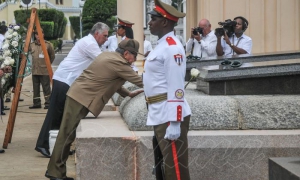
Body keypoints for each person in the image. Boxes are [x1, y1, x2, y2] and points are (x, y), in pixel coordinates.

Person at [45, 39, 144, 180]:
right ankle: (55, 172)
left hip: (78, 95)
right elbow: (141, 81)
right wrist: (162, 84)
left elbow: (109, 79)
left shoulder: (108, 56)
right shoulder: (119, 63)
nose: (134, 60)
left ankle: (56, 171)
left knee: (67, 134)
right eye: (134, 56)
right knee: (66, 135)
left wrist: (128, 94)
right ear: (127, 53)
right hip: (80, 97)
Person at [35, 22, 109, 158]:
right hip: (64, 80)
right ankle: (43, 145)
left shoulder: (91, 42)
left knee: (63, 116)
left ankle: (58, 146)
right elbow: (104, 61)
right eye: (105, 36)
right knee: (55, 115)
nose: (106, 39)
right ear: (97, 33)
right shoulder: (89, 43)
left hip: (67, 81)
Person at [144, 0, 191, 179]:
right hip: (159, 111)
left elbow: (177, 86)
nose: (150, 22)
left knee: (175, 169)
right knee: (165, 165)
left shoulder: (172, 48)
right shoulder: (163, 45)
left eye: (153, 19)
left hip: (168, 115)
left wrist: (175, 121)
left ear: (164, 22)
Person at [29, 30, 55, 109]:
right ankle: (36, 103)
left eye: (40, 33)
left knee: (46, 88)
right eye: (36, 34)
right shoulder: (32, 45)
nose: (38, 36)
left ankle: (48, 103)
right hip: (35, 70)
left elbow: (52, 56)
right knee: (35, 88)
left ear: (43, 34)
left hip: (44, 70)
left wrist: (47, 64)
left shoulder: (48, 45)